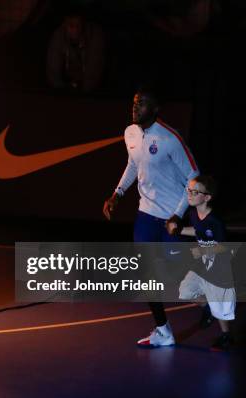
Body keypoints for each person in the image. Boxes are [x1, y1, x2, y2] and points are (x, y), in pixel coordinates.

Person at [103, 88, 200, 347]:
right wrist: (118, 193)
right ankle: (163, 330)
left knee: (182, 279)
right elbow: (133, 164)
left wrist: (178, 216)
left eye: (142, 104)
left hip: (171, 217)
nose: (135, 108)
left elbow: (194, 177)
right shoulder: (130, 133)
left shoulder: (170, 139)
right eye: (134, 103)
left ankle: (215, 304)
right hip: (146, 213)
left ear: (155, 109)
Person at [172, 175, 235, 351]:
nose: (189, 195)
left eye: (195, 192)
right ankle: (207, 308)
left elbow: (222, 247)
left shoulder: (215, 221)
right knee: (185, 292)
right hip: (202, 265)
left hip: (219, 268)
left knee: (221, 308)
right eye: (188, 191)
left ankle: (226, 336)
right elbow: (199, 231)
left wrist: (201, 251)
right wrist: (180, 230)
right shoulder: (193, 214)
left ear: (206, 197)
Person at [46, 14, 105, 92]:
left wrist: (84, 93)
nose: (75, 29)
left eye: (78, 25)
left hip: (90, 92)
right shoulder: (59, 36)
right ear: (65, 24)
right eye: (71, 25)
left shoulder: (94, 36)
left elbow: (94, 70)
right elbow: (53, 71)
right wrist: (62, 91)